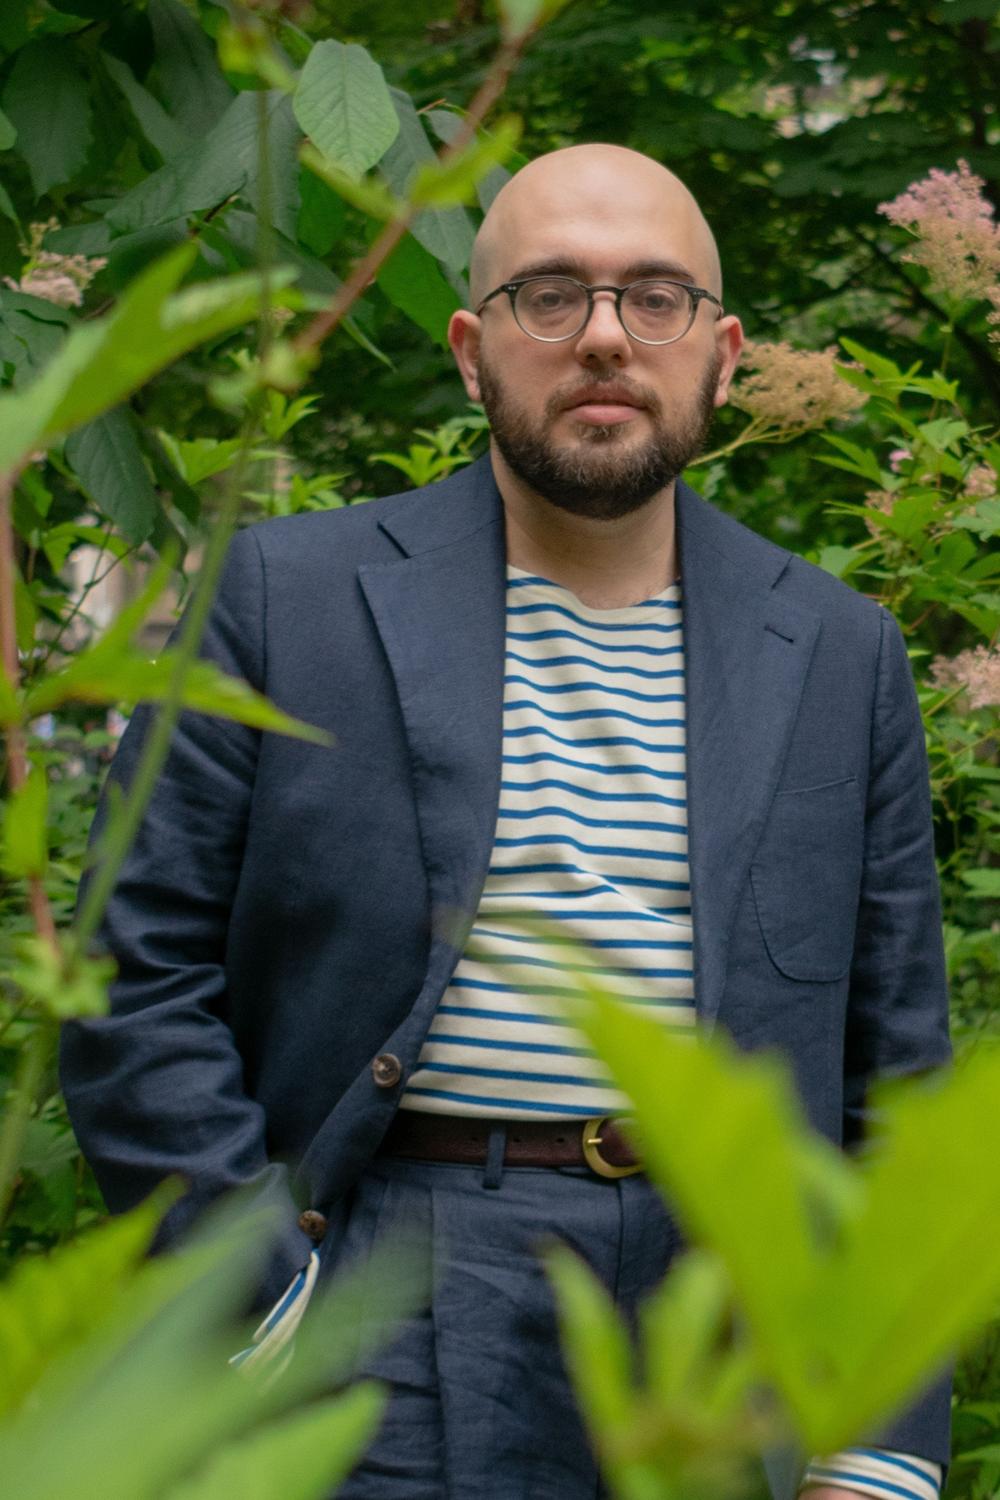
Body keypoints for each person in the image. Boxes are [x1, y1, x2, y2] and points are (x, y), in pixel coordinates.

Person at [60, 145, 951, 1500]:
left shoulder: (839, 651)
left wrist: (881, 1432)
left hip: (739, 1312)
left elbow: (898, 1066)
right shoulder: (283, 599)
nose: (605, 335)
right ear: (474, 351)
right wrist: (257, 1302)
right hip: (390, 1283)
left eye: (657, 299)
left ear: (723, 351)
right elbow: (131, 975)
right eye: (552, 296)